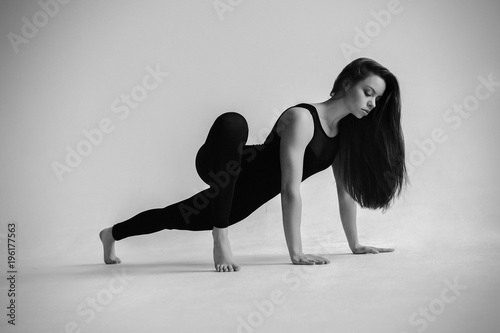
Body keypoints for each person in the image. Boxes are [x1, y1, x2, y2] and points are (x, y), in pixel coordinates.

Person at [99, 57, 408, 272]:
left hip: (236, 200)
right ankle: (220, 238)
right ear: (345, 83)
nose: (372, 103)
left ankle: (111, 234)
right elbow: (290, 190)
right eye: (368, 93)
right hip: (226, 164)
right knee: (233, 123)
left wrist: (355, 245)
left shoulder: (342, 138)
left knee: (172, 216)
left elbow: (344, 194)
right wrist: (296, 253)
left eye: (377, 100)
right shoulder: (303, 118)